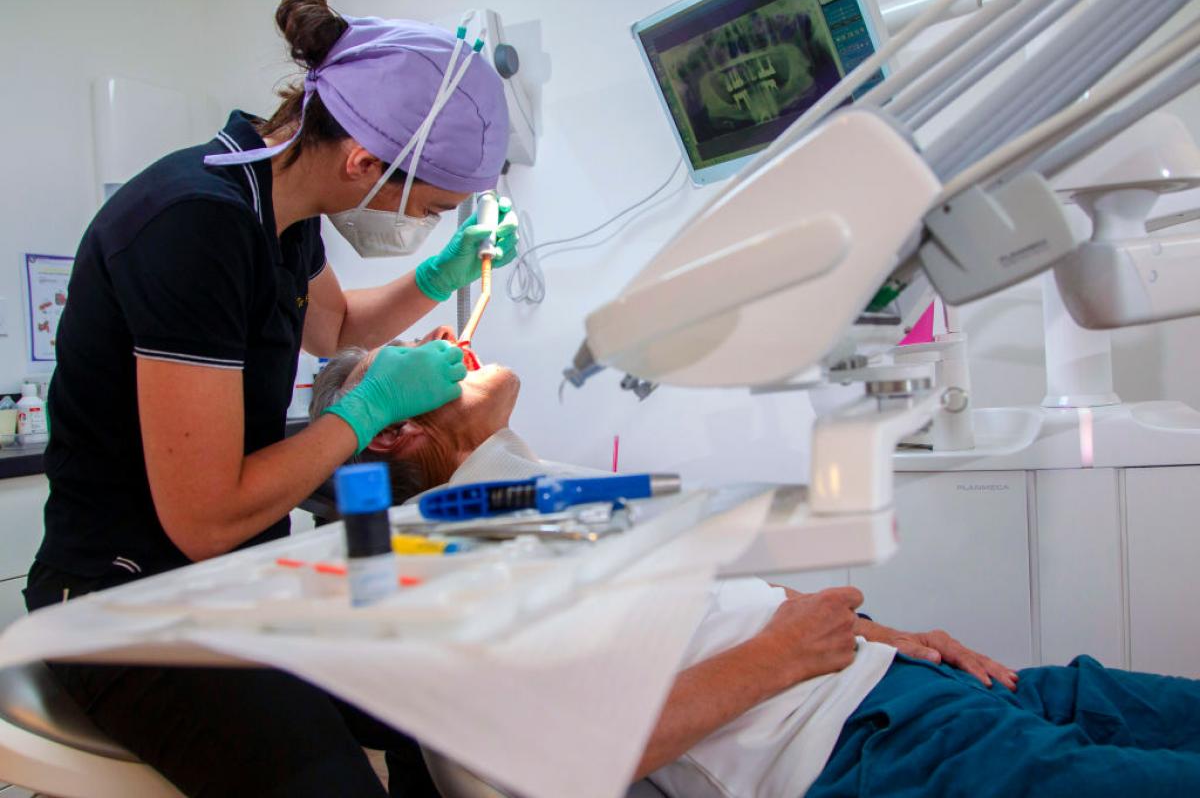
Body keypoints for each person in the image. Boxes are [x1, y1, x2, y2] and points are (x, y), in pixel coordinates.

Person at [314, 342, 1200, 798]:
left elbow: (712, 609)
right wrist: (781, 656)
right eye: (409, 359)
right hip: (865, 757)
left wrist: (884, 636)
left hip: (924, 688)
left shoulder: (533, 495)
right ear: (393, 429)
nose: (445, 339)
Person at [23, 0, 520, 795]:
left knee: (443, 708)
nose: (429, 224)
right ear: (364, 162)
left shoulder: (280, 208)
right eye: (428, 211)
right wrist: (367, 410)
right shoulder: (194, 224)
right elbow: (205, 516)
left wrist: (440, 277)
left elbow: (336, 326)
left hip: (231, 573)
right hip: (126, 600)